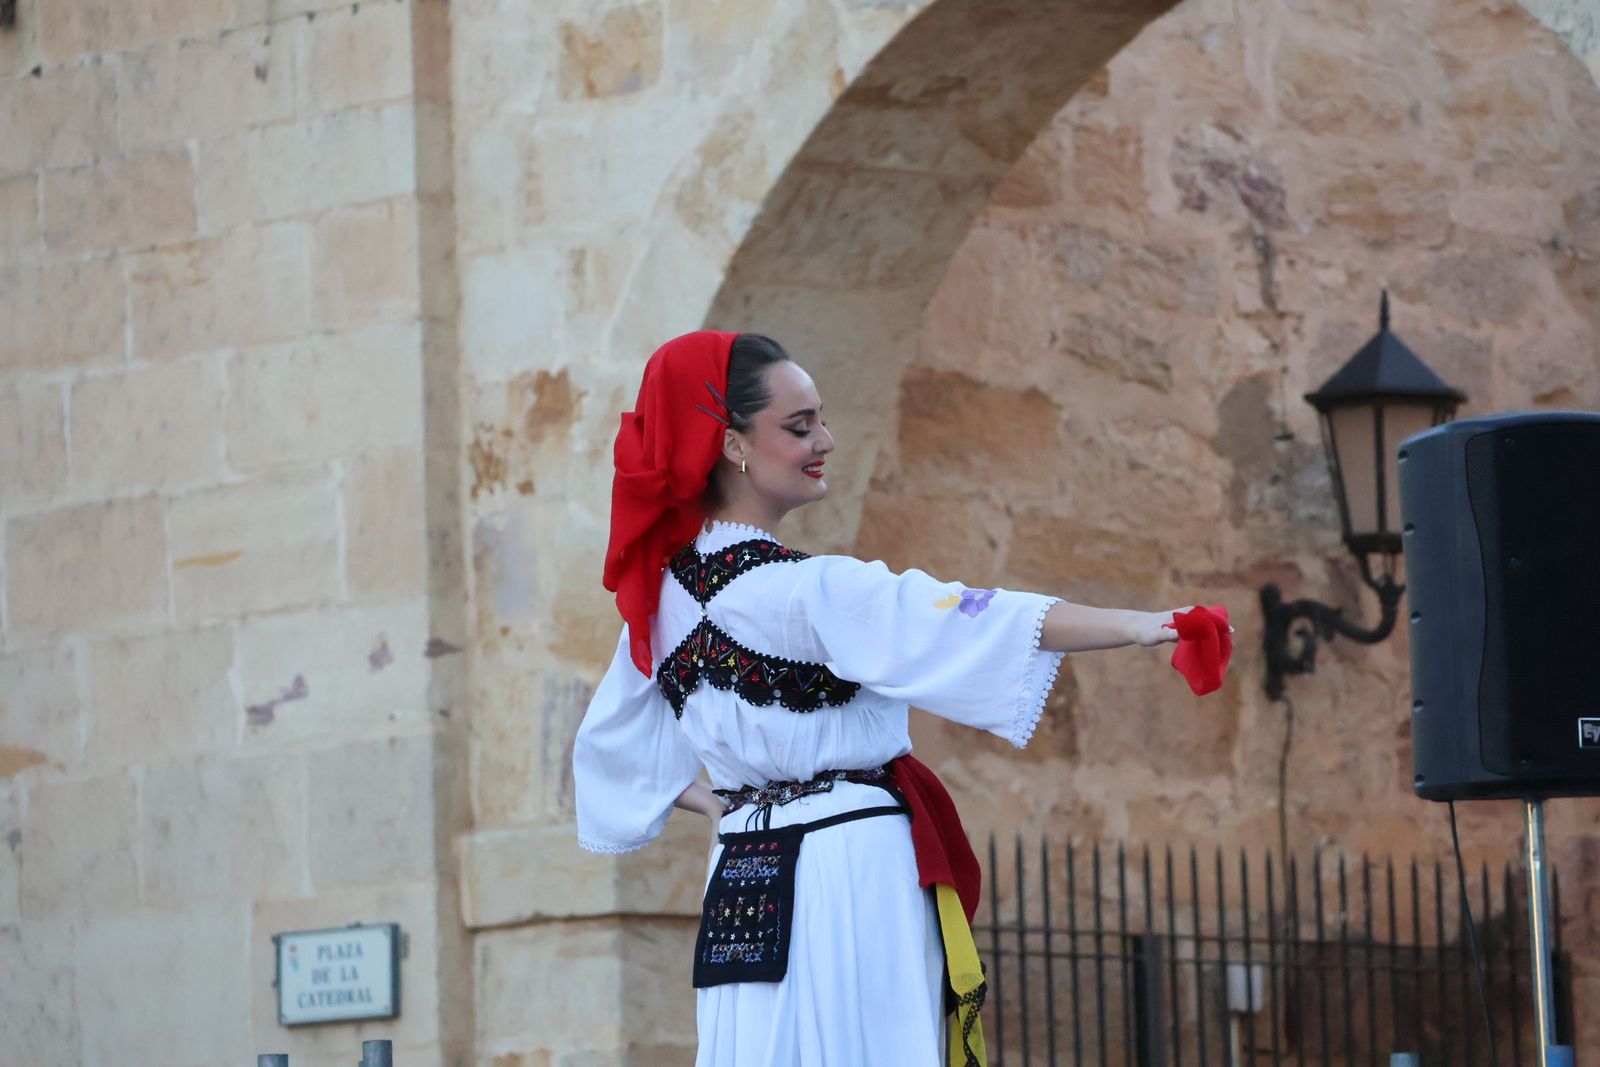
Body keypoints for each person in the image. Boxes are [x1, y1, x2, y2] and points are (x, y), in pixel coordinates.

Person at [573, 330, 1227, 1067]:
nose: (825, 438)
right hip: (848, 862)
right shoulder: (808, 589)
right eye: (799, 425)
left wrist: (731, 801)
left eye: (819, 418)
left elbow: (608, 751)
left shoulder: (660, 602)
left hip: (743, 872)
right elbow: (969, 614)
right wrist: (1144, 625)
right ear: (732, 445)